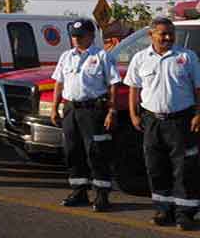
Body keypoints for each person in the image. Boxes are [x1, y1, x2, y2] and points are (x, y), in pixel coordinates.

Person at [125, 17, 200, 231]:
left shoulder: (187, 57)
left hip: (182, 121)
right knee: (156, 166)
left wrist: (198, 114)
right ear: (151, 35)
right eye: (163, 34)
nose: (168, 37)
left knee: (184, 168)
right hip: (152, 121)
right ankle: (163, 210)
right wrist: (133, 115)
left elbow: (198, 88)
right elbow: (133, 89)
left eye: (171, 33)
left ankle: (185, 214)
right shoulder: (140, 58)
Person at [50, 19, 121, 212]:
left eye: (80, 36)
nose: (76, 39)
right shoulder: (66, 56)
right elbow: (59, 83)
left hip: (93, 110)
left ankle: (102, 195)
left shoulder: (102, 56)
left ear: (91, 36)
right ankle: (79, 191)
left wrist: (112, 111)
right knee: (73, 151)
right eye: (73, 36)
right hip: (70, 109)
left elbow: (113, 84)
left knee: (96, 152)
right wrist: (54, 107)